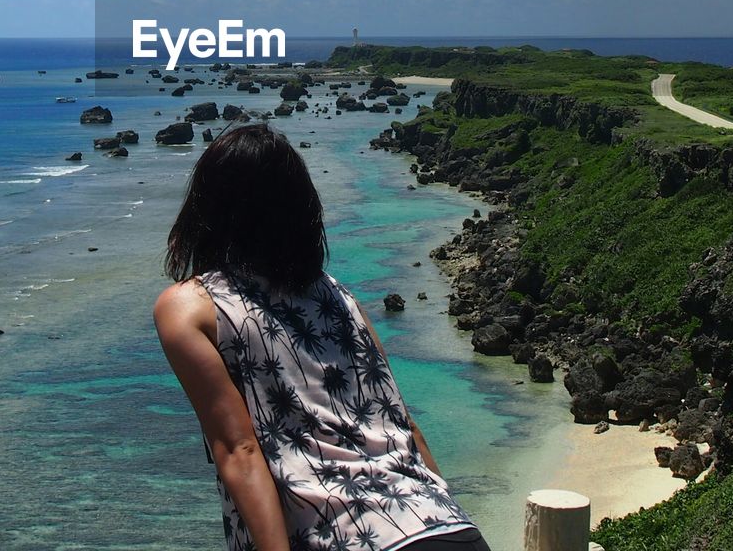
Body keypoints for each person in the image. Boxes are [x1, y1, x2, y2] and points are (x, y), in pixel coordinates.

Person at [154, 123, 491, 551]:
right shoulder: (339, 295)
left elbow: (239, 450)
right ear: (300, 208)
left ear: (208, 208)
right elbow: (406, 426)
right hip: (446, 525)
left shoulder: (191, 306)